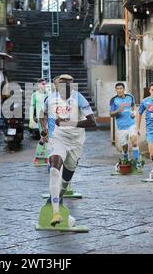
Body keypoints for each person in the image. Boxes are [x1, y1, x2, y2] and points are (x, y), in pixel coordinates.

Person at [40, 74, 96, 226]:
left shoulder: (79, 98)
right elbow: (42, 114)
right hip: (57, 138)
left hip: (76, 142)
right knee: (54, 169)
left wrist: (68, 123)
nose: (65, 88)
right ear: (57, 86)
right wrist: (44, 129)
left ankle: (54, 200)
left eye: (69, 85)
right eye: (62, 84)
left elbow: (93, 122)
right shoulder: (50, 99)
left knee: (65, 181)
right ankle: (56, 213)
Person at [109, 83, 141, 169]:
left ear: (124, 89)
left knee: (134, 142)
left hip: (131, 124)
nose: (119, 90)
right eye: (117, 89)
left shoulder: (130, 97)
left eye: (121, 88)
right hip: (121, 127)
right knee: (125, 148)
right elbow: (111, 114)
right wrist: (117, 111)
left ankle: (136, 163)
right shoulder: (113, 100)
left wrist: (133, 113)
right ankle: (126, 160)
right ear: (116, 90)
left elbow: (133, 107)